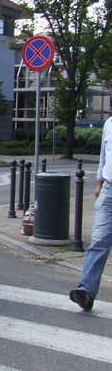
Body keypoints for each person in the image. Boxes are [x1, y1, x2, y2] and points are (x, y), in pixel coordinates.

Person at [69, 116, 112, 311]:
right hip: (109, 191)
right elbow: (104, 156)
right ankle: (85, 291)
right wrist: (99, 184)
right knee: (98, 240)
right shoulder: (109, 124)